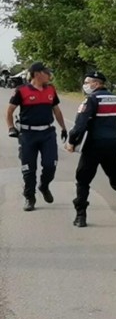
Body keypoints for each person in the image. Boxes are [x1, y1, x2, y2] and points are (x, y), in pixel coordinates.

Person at [64, 71, 116, 227]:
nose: (86, 85)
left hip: (93, 146)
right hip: (112, 145)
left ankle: (81, 216)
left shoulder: (91, 100)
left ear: (96, 83)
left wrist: (71, 142)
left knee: (83, 180)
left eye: (88, 82)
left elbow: (80, 125)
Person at [6, 62, 68, 211]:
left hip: (47, 133)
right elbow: (9, 112)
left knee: (50, 165)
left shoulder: (51, 90)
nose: (49, 75)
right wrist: (11, 128)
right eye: (47, 72)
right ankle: (29, 197)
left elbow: (57, 111)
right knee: (29, 169)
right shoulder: (21, 91)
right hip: (28, 135)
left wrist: (64, 128)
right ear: (37, 74)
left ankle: (44, 186)